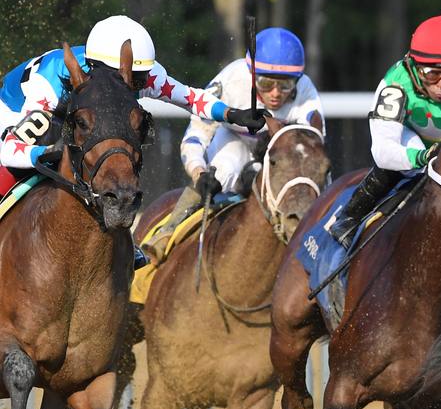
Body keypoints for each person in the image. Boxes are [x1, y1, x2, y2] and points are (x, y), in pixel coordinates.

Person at [0, 15, 266, 266]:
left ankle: (121, 243)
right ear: (99, 68)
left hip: (80, 116)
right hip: (20, 112)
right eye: (135, 79)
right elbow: (9, 150)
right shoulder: (48, 85)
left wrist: (232, 114)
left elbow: (190, 98)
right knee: (43, 139)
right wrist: (46, 152)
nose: (139, 85)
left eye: (140, 78)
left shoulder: (140, 72)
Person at [142, 27, 324, 262]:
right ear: (251, 75)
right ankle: (167, 233)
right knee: (225, 170)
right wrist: (199, 173)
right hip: (233, 140)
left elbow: (314, 151)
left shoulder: (307, 92)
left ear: (297, 81)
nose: (276, 93)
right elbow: (196, 134)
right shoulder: (230, 80)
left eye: (286, 85)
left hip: (279, 157)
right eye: (266, 83)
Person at [328, 15, 441, 247]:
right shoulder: (396, 85)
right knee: (411, 155)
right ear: (413, 66)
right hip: (412, 142)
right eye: (432, 74)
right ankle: (349, 217)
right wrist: (420, 157)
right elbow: (382, 151)